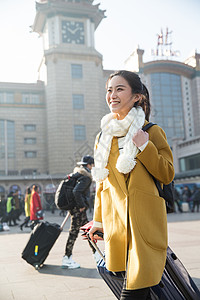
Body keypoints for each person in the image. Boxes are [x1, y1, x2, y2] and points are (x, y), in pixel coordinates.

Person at [89, 70, 175, 300]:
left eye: (119, 89)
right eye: (109, 90)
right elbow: (101, 183)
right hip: (116, 225)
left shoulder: (151, 131)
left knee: (135, 290)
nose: (112, 95)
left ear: (136, 96)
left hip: (143, 224)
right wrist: (98, 221)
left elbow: (167, 174)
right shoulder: (103, 137)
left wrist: (146, 147)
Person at [62, 155, 99, 269]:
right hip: (78, 209)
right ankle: (67, 258)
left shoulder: (78, 174)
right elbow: (76, 191)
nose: (93, 167)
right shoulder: (86, 177)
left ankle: (96, 254)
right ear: (89, 165)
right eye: (92, 165)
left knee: (88, 230)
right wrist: (82, 205)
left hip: (76, 209)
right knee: (75, 232)